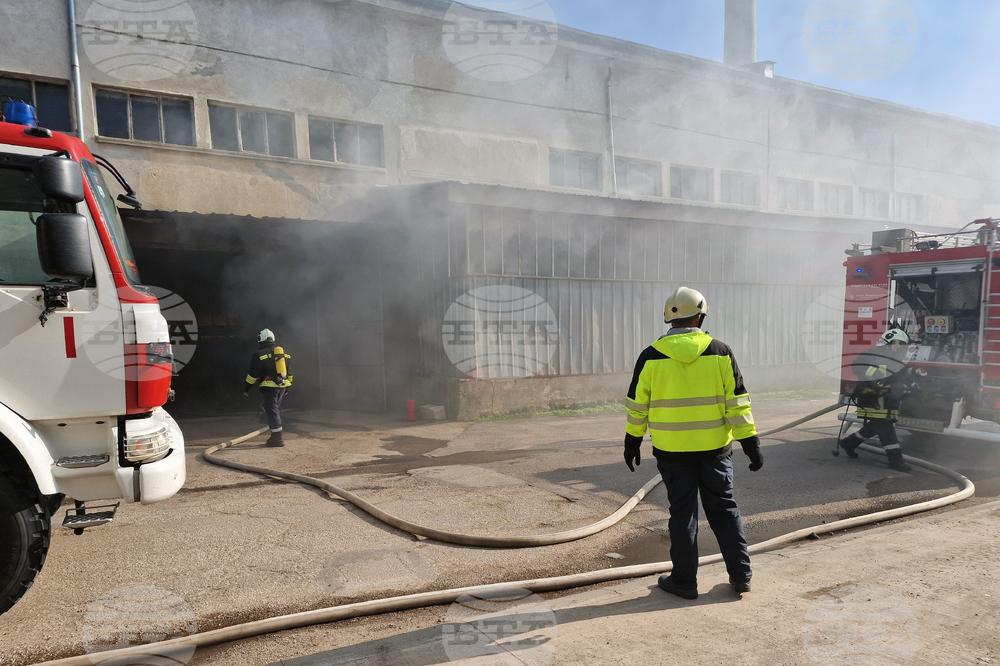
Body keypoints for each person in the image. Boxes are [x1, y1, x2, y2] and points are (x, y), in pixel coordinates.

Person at [624, 286, 762, 600]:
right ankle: (741, 576)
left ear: (668, 319)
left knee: (683, 515)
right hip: (715, 451)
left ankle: (684, 581)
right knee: (724, 510)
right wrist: (750, 442)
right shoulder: (720, 352)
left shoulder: (650, 356)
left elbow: (637, 406)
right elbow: (737, 403)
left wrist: (632, 441)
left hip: (672, 453)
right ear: (700, 316)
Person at [839, 328, 921, 473]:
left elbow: (899, 371)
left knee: (875, 425)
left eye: (901, 344)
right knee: (885, 426)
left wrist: (914, 371)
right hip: (873, 397)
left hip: (885, 397)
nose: (899, 346)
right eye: (897, 343)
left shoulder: (892, 356)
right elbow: (856, 367)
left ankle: (849, 443)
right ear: (889, 342)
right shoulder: (873, 354)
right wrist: (875, 375)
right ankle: (896, 461)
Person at [243, 328, 292, 447]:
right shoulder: (284, 354)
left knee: (272, 410)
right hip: (282, 386)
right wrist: (286, 388)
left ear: (260, 339)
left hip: (270, 387)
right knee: (275, 409)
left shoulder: (258, 354)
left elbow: (253, 374)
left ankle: (277, 438)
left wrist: (247, 388)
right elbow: (289, 373)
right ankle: (275, 435)